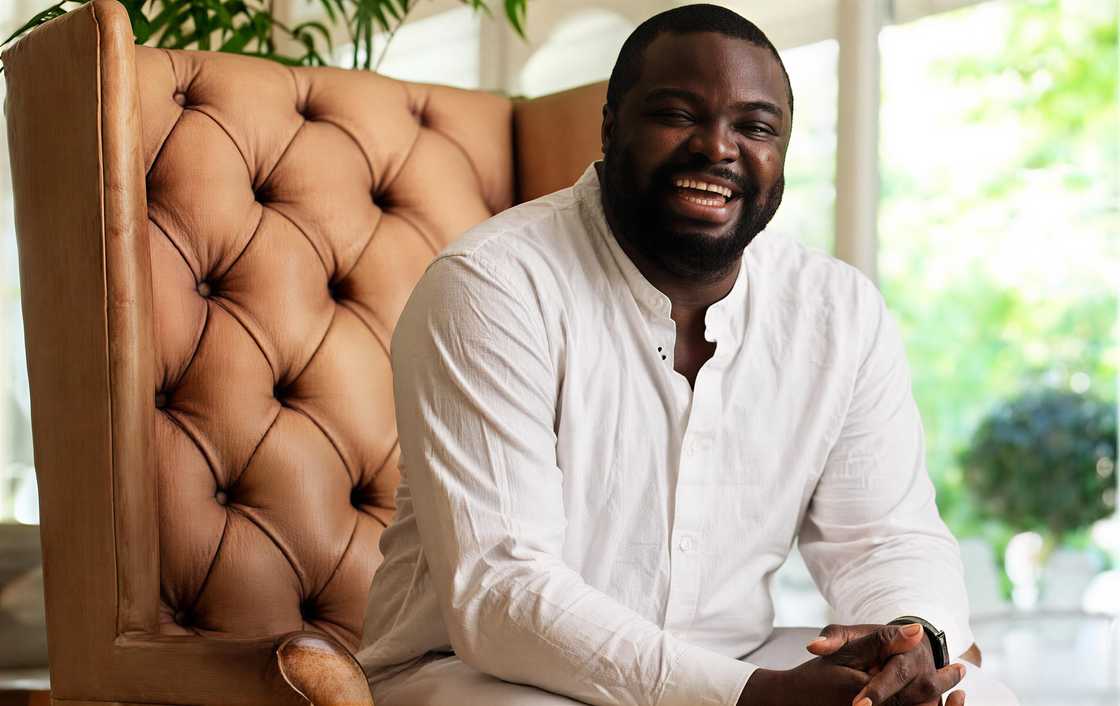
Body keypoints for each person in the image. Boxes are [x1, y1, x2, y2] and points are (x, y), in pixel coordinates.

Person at [356, 4, 1019, 705]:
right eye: (678, 115)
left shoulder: (838, 313)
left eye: (755, 127)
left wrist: (907, 644)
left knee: (980, 698)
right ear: (611, 126)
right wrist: (750, 696)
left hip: (735, 661)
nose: (718, 148)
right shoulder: (492, 286)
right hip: (488, 674)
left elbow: (887, 538)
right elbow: (503, 593)